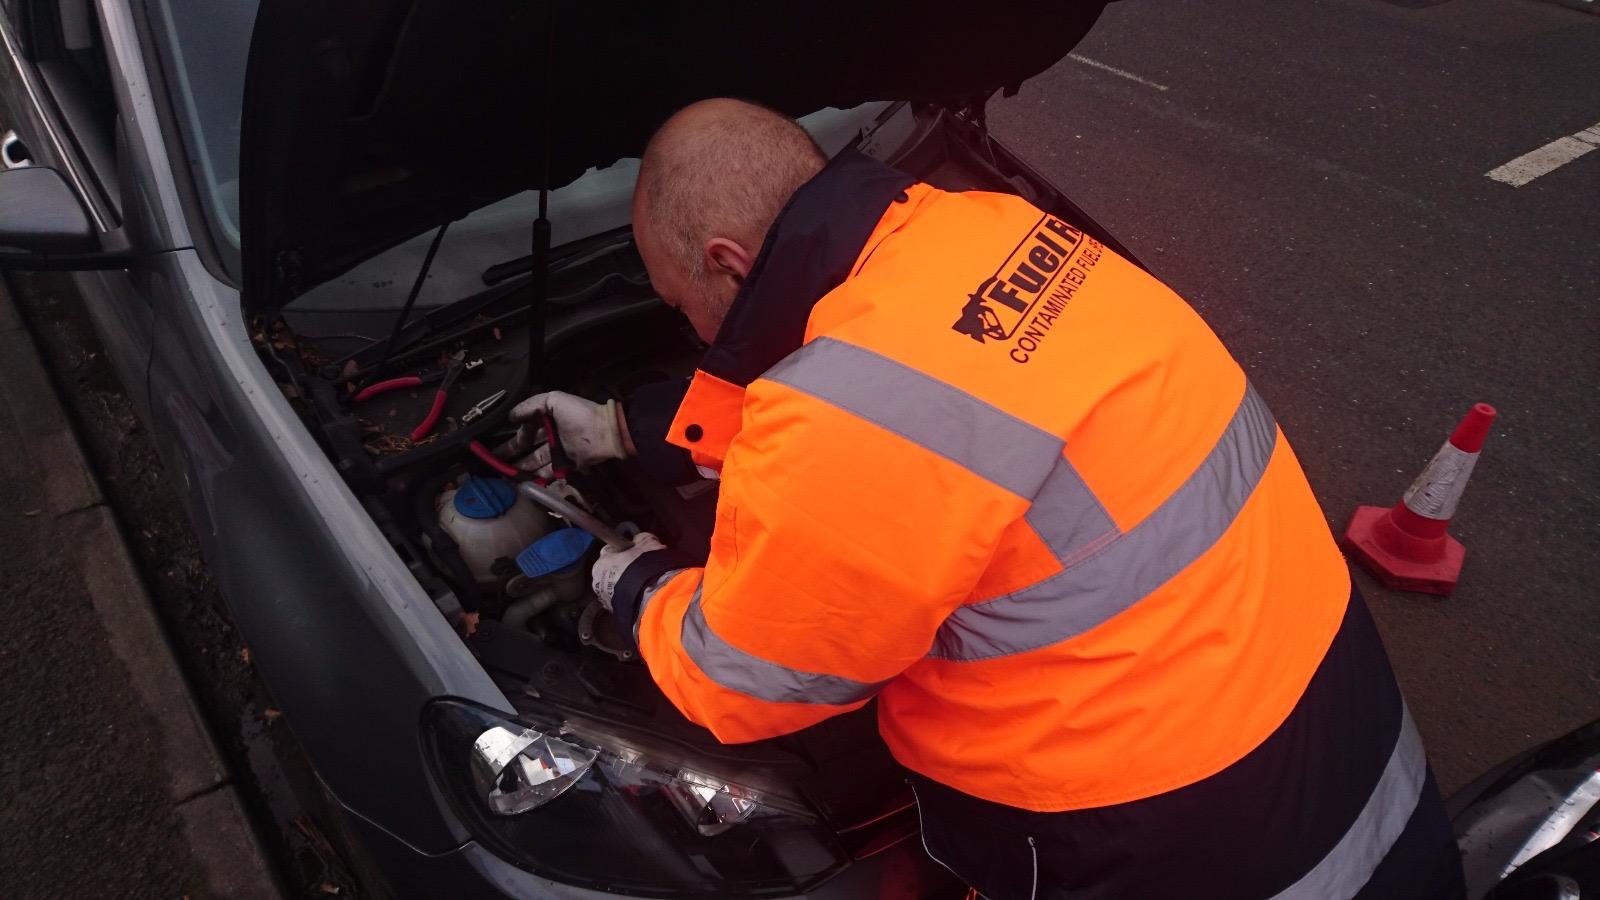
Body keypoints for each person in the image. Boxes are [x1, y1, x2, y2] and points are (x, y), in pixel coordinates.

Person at [499, 99, 1465, 898]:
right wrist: (632, 429)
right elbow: (937, 403)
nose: (693, 329)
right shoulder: (993, 230)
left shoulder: (847, 414)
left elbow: (746, 681)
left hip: (1165, 827)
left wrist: (636, 582)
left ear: (728, 262)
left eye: (680, 305)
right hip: (1339, 712)